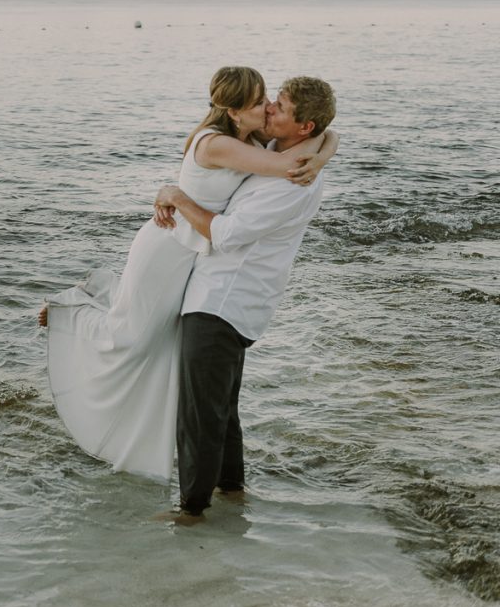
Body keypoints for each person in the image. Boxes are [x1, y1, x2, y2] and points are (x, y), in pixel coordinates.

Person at [40, 67, 338, 484]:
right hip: (168, 247)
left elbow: (311, 143)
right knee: (128, 337)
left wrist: (325, 149)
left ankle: (219, 489)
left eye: (273, 102)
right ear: (235, 112)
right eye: (260, 102)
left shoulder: (250, 140)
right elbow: (290, 162)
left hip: (193, 255)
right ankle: (69, 310)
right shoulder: (220, 144)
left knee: (155, 342)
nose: (268, 107)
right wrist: (322, 151)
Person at [153, 75, 337, 523]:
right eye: (271, 101)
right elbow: (330, 134)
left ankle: (191, 510)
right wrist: (328, 145)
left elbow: (227, 234)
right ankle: (231, 490)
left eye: (281, 106)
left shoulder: (292, 179)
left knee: (200, 413)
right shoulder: (282, 151)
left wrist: (177, 196)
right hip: (229, 297)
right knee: (221, 408)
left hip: (223, 299)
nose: (270, 108)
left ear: (303, 127)